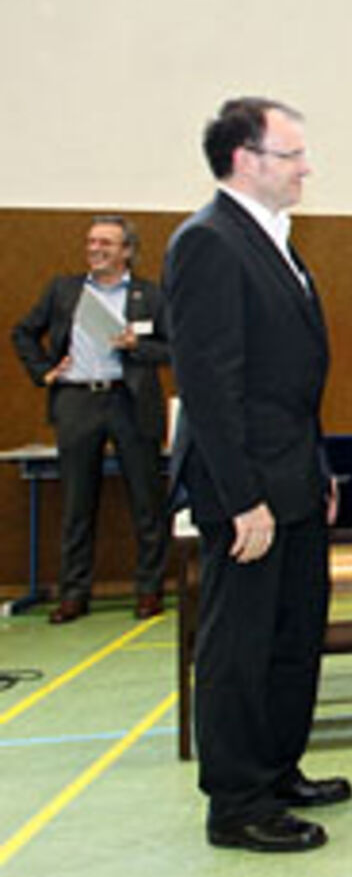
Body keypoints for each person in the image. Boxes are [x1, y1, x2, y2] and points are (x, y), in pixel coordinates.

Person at [165, 97, 346, 853]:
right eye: (292, 154)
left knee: (293, 635)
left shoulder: (273, 238)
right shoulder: (209, 242)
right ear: (245, 159)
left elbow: (289, 383)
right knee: (240, 646)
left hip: (293, 475)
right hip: (247, 490)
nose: (306, 167)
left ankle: (276, 770)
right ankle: (237, 802)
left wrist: (319, 469)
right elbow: (210, 387)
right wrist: (244, 499)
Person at [12, 216, 170, 622]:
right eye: (91, 241)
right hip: (77, 400)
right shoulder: (64, 291)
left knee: (147, 502)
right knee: (77, 503)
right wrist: (44, 370)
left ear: (127, 251)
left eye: (105, 243)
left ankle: (149, 590)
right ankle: (74, 593)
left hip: (130, 402)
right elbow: (23, 332)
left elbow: (176, 348)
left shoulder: (150, 295)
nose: (95, 249)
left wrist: (138, 346)